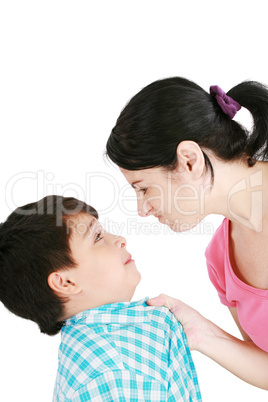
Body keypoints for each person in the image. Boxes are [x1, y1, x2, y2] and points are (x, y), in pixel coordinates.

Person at [106, 77, 268, 390]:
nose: (143, 209)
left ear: (189, 161)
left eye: (143, 189)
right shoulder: (220, 259)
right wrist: (201, 332)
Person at [0, 195, 201, 401]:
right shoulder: (113, 373)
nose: (120, 239)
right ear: (66, 283)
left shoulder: (110, 340)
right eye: (97, 237)